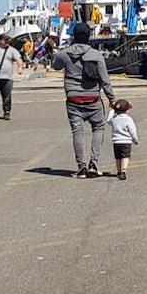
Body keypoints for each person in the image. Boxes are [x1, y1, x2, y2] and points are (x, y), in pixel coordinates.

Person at [52, 23, 116, 178]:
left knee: (77, 132)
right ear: (89, 36)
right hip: (93, 98)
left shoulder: (64, 53)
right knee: (98, 128)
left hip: (73, 98)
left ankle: (81, 167)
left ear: (73, 36)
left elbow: (55, 66)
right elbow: (104, 80)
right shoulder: (96, 55)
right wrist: (112, 99)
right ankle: (94, 163)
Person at [109, 99, 138, 181]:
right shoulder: (128, 119)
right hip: (126, 142)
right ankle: (123, 171)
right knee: (125, 156)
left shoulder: (114, 118)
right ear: (127, 109)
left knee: (118, 157)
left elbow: (108, 121)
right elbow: (132, 130)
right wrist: (135, 139)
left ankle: (118, 171)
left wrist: (111, 111)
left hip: (116, 142)